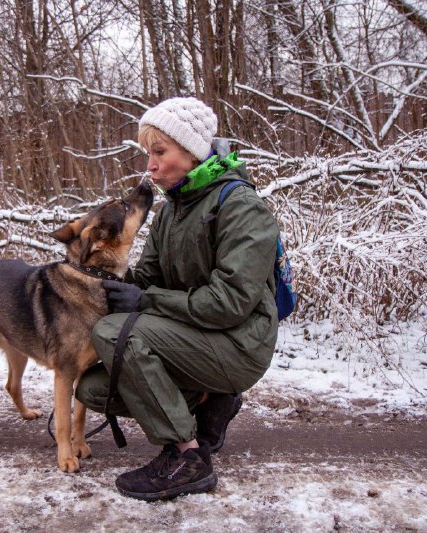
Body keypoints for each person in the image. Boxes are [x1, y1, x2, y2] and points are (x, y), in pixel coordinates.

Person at [75, 97, 279, 501]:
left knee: (116, 334)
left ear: (191, 153)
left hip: (240, 343)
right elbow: (147, 279)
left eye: (159, 152)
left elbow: (229, 303)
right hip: (195, 336)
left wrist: (144, 301)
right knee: (94, 387)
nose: (150, 165)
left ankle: (188, 458)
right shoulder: (172, 211)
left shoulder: (241, 207)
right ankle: (209, 403)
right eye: (148, 153)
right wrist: (98, 269)